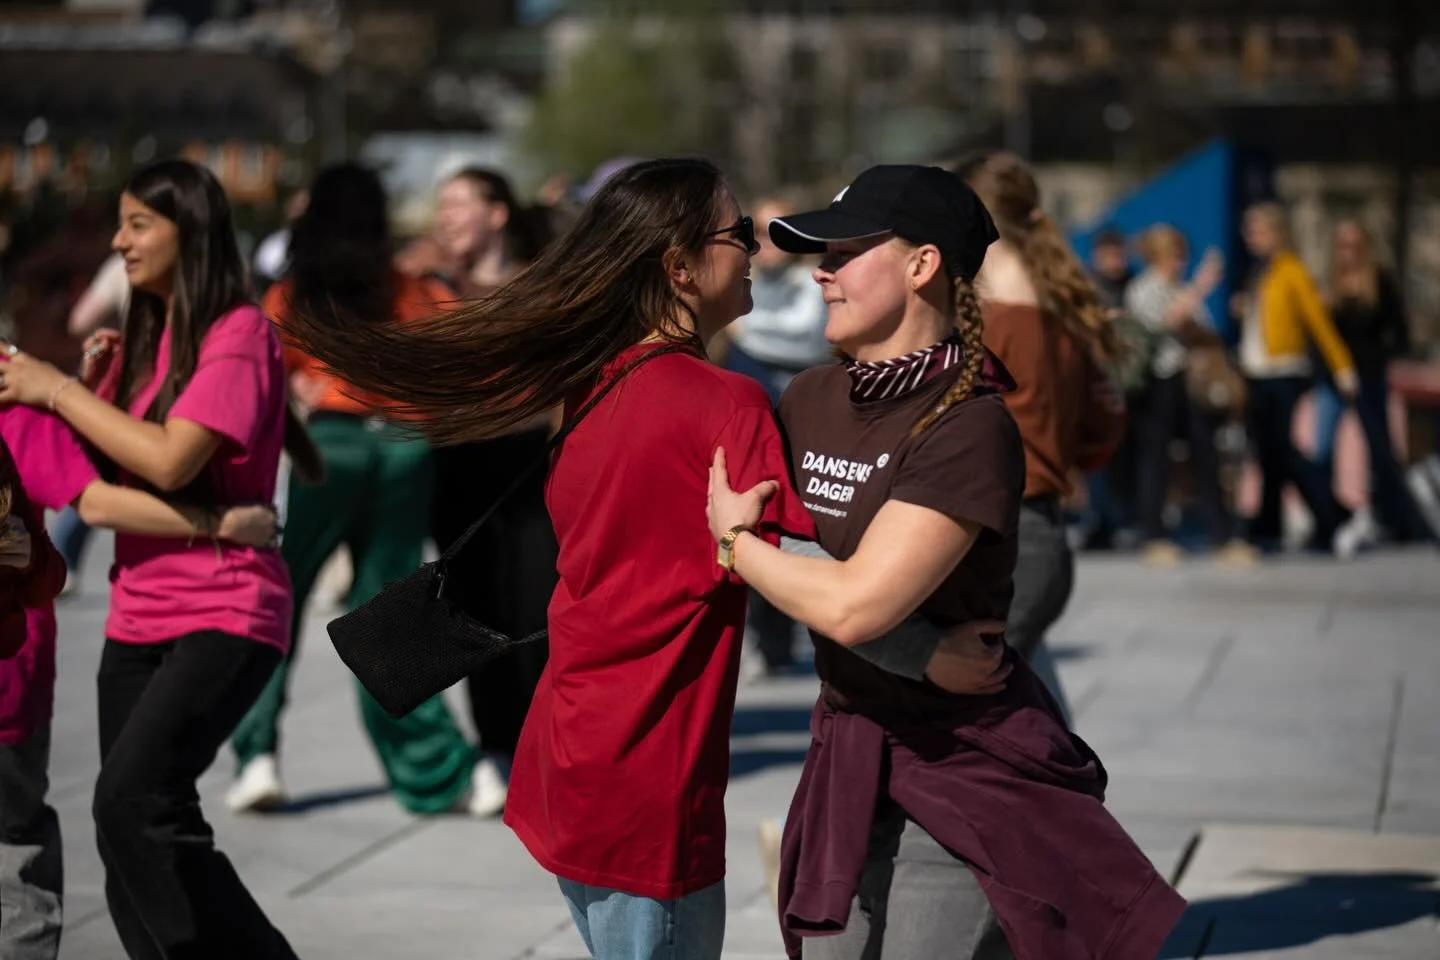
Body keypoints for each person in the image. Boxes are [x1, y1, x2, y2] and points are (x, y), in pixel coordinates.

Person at [704, 164, 1184, 960]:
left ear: (923, 265)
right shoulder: (810, 399)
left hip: (956, 767)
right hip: (845, 752)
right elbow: (801, 568)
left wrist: (737, 545)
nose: (820, 269)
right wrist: (917, 650)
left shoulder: (970, 425)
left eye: (846, 249)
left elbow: (851, 602)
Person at [0, 158, 311, 958]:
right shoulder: (148, 334)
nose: (119, 241)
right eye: (120, 222)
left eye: (138, 224)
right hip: (140, 609)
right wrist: (90, 387)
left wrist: (56, 391)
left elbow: (173, 460)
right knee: (125, 834)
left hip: (227, 605)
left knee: (137, 803)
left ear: (191, 231)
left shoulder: (237, 332)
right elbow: (92, 481)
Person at [227, 163, 485, 817]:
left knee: (279, 601)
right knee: (390, 613)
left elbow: (257, 385)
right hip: (404, 447)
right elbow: (458, 357)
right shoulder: (411, 289)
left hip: (329, 447)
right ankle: (438, 773)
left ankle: (256, 754)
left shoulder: (291, 295)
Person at [0, 371, 275, 960]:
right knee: (105, 823)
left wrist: (27, 558)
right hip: (46, 674)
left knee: (43, 845)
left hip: (11, 691)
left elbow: (53, 560)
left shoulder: (13, 411)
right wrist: (222, 522)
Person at [955, 151, 1126, 718]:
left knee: (962, 722)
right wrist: (1055, 455)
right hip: (1040, 534)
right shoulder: (1064, 312)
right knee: (1039, 715)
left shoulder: (984, 325)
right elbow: (1104, 425)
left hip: (1001, 542)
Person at [426, 166, 557, 815]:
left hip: (530, 466)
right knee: (471, 610)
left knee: (535, 610)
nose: (444, 216)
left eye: (458, 204)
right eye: (440, 206)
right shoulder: (425, 287)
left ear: (497, 213)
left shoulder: (539, 284)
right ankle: (494, 748)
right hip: (456, 466)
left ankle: (541, 744)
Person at [721, 192, 832, 676]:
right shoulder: (743, 281)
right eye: (758, 231)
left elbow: (805, 331)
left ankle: (791, 633)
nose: (768, 243)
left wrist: (740, 330)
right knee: (752, 522)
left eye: (780, 231)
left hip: (807, 423)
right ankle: (762, 638)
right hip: (755, 422)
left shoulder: (814, 282)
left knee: (801, 526)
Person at [1125, 225, 1256, 565]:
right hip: (1160, 383)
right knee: (1157, 458)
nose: (1180, 261)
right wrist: (1202, 284)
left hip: (1192, 382)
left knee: (1207, 455)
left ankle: (1222, 535)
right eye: (1174, 254)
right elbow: (1166, 321)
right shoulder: (1144, 289)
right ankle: (1153, 534)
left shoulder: (1179, 287)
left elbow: (1200, 327)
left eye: (1182, 254)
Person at [1235, 202, 1360, 555]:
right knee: (1268, 454)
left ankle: (1332, 512)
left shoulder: (1292, 271)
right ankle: (1269, 524)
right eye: (1248, 231)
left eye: (1257, 230)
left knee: (1283, 450)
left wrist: (1343, 367)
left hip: (1285, 371)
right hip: (1256, 372)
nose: (1250, 238)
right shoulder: (1259, 272)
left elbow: (1318, 323)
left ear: (1276, 233)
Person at [1313, 217, 1432, 544]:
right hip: (1332, 378)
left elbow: (1400, 332)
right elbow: (1318, 334)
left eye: (1354, 244)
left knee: (1380, 451)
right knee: (1321, 451)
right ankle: (1328, 518)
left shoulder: (1379, 281)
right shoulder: (1327, 284)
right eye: (1342, 244)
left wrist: (1376, 358)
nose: (1348, 251)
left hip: (1368, 377)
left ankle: (1395, 519)